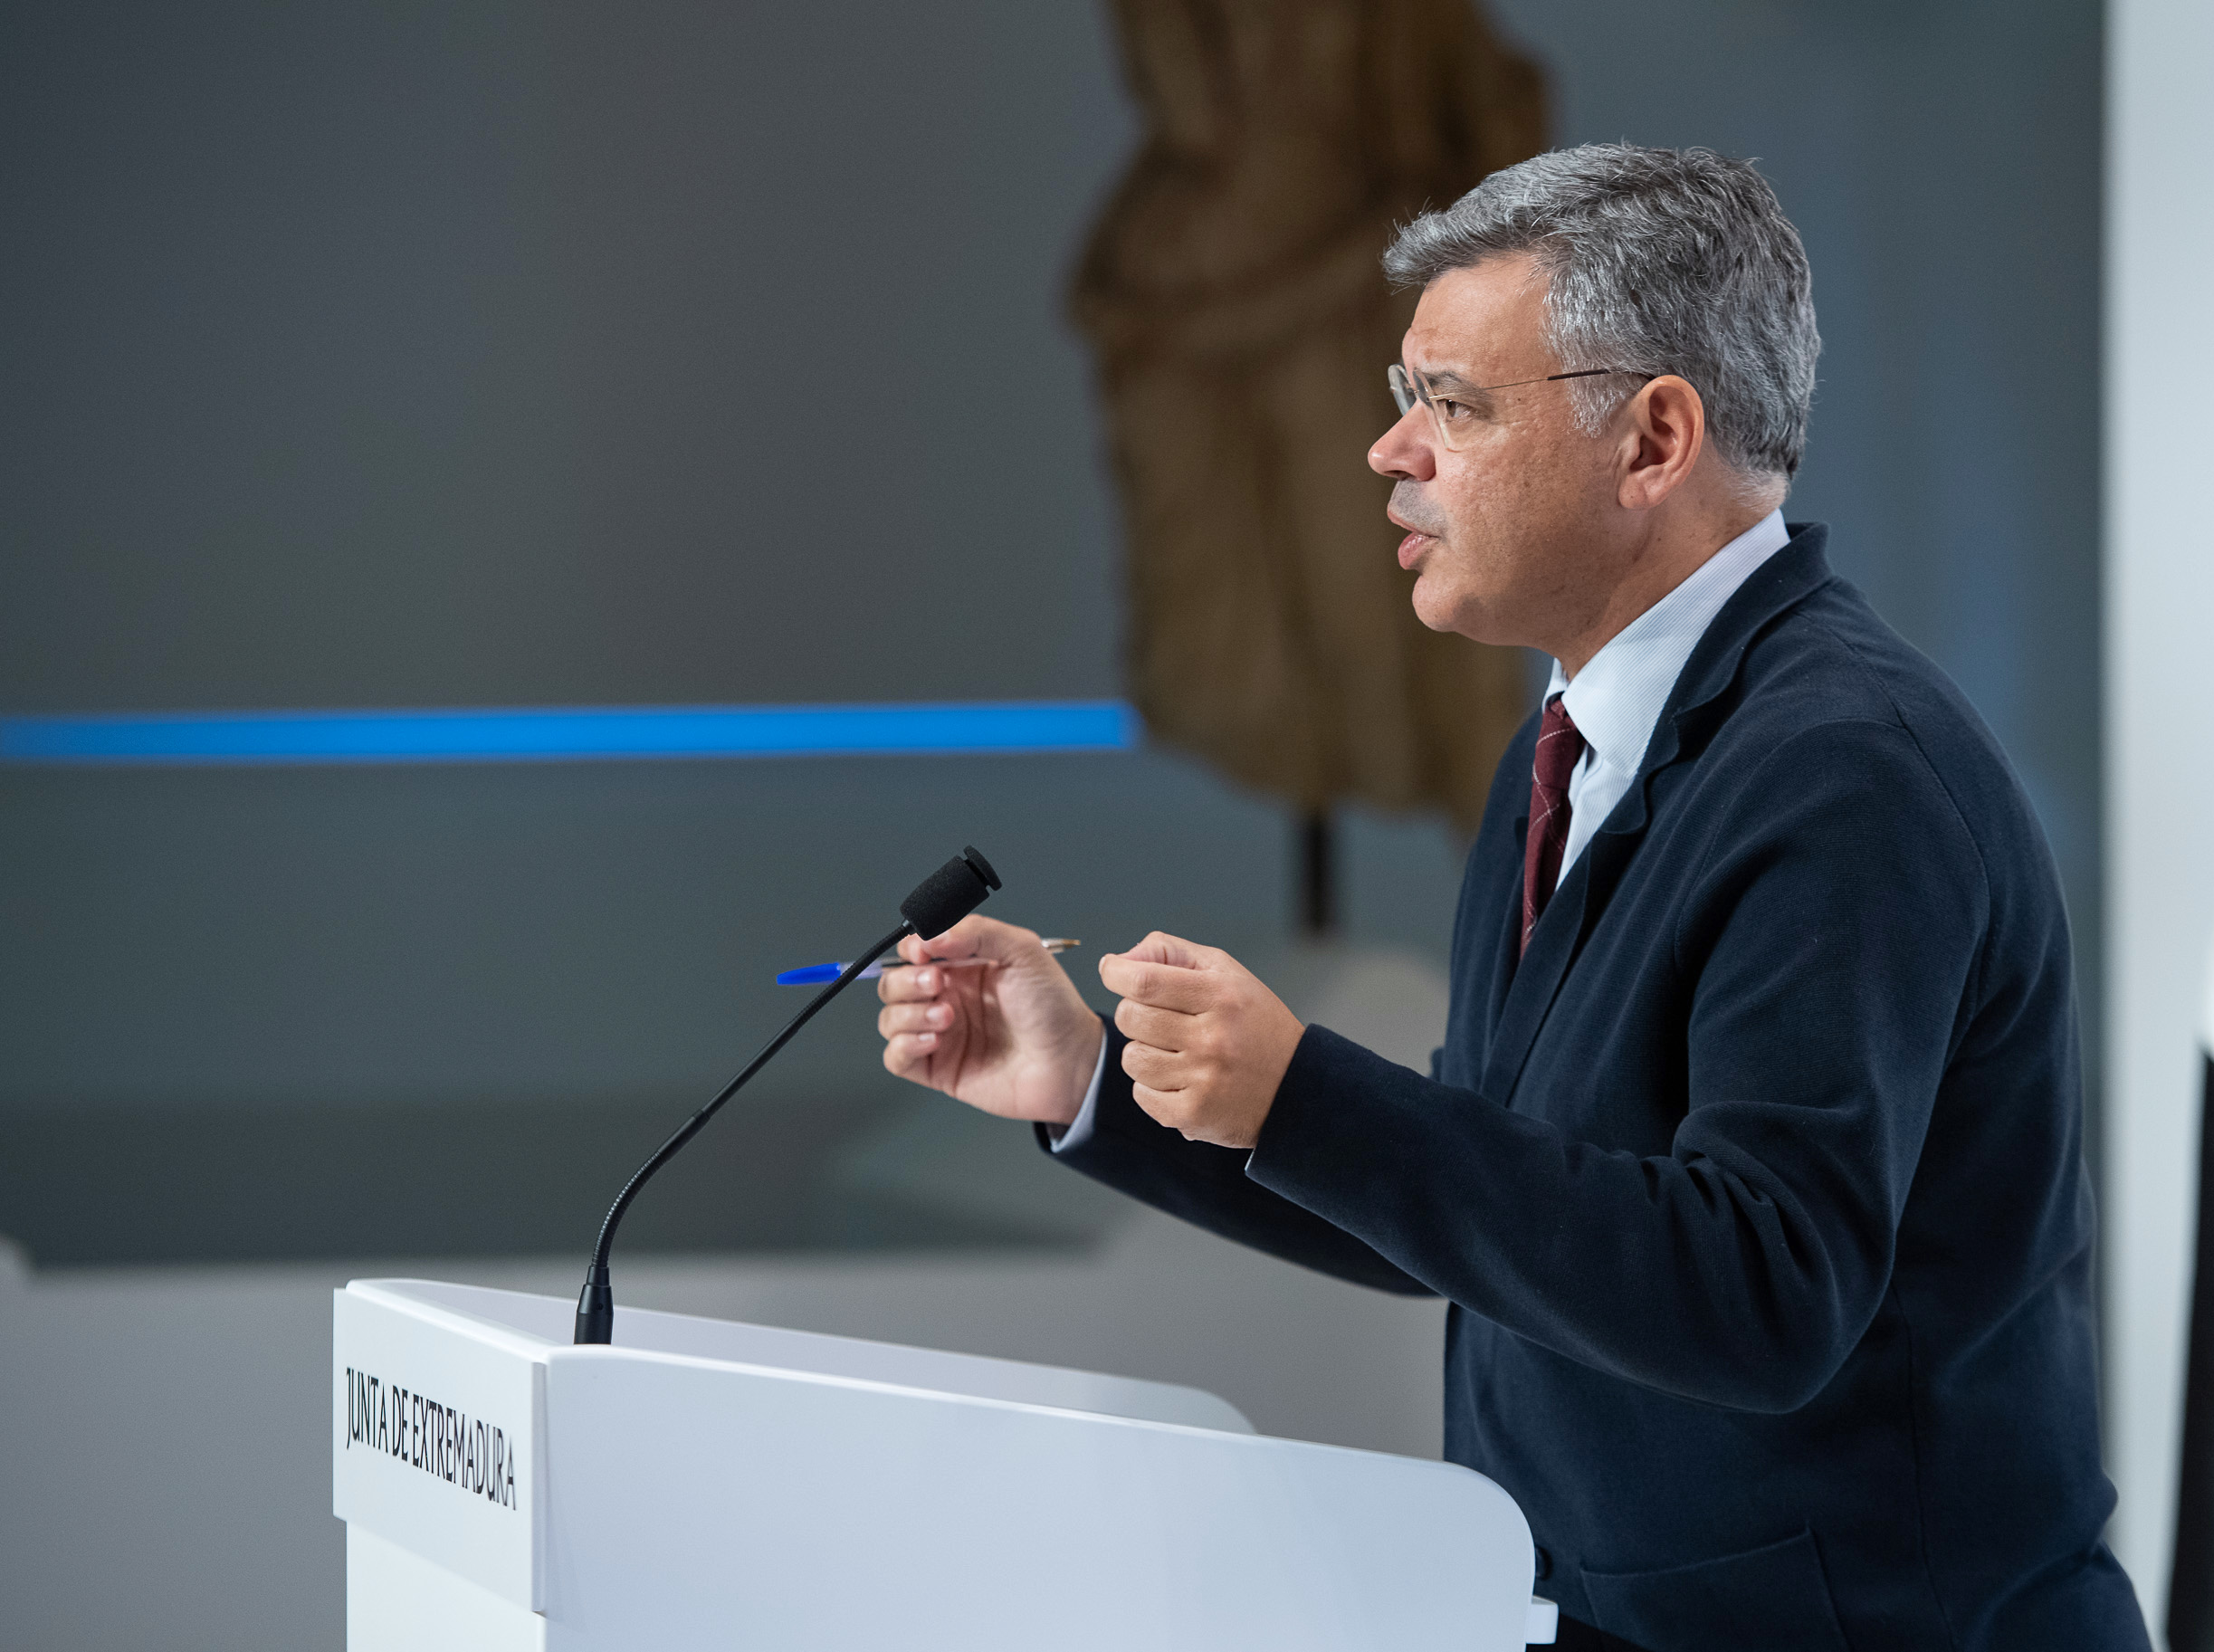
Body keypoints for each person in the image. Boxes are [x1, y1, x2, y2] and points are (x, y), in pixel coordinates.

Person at [874, 144, 2146, 1652]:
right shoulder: (1564, 747)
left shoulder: (1842, 770)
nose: (1385, 454)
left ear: (1652, 438)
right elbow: (1490, 1199)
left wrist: (1299, 1094)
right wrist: (1095, 1077)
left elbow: (1760, 1286)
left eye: (1449, 405)